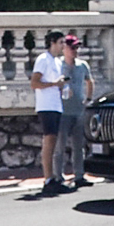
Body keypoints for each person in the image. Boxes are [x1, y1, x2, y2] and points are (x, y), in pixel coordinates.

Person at [55, 33, 95, 192]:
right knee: (60, 146)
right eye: (72, 47)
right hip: (62, 111)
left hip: (78, 110)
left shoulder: (82, 65)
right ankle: (58, 176)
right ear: (64, 48)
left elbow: (89, 81)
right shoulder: (58, 65)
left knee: (79, 146)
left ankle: (79, 175)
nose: (75, 50)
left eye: (77, 47)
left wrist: (89, 99)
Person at [30, 35, 66, 191]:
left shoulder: (57, 62)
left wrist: (62, 87)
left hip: (56, 104)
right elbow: (34, 83)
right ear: (52, 43)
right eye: (60, 42)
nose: (63, 46)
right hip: (46, 105)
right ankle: (48, 178)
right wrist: (54, 84)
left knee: (54, 140)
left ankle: (53, 177)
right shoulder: (43, 59)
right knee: (49, 140)